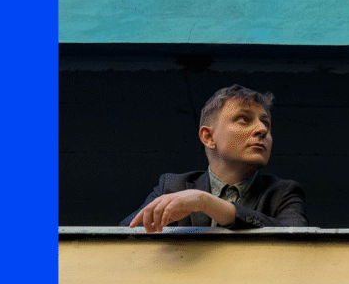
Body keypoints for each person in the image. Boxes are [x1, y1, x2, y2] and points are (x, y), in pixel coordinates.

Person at [120, 85, 307, 232]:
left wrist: (206, 203)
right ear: (208, 137)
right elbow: (123, 237)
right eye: (244, 119)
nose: (262, 129)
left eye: (266, 123)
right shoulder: (172, 186)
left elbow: (298, 239)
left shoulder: (282, 192)